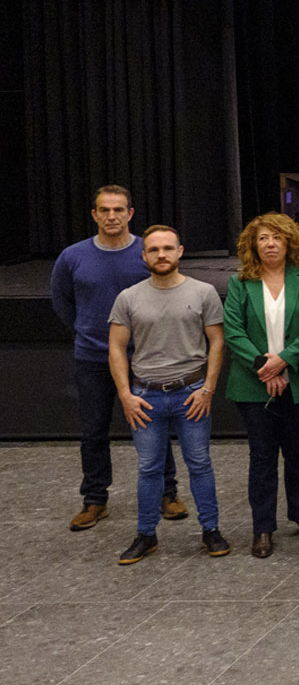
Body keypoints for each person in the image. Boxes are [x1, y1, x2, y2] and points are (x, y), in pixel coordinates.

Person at [52, 185, 184, 531]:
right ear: (94, 215)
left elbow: (167, 294)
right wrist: (86, 330)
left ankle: (167, 493)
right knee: (93, 431)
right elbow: (63, 302)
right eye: (105, 210)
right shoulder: (72, 257)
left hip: (143, 358)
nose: (112, 216)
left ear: (130, 214)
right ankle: (95, 499)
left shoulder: (147, 252)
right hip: (92, 359)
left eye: (119, 210)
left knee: (154, 425)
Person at [107, 226, 229, 564]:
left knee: (200, 464)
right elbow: (116, 348)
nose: (161, 255)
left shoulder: (204, 292)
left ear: (180, 251)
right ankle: (146, 535)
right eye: (154, 250)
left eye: (167, 248)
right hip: (145, 397)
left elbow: (217, 342)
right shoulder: (128, 297)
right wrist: (125, 395)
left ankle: (211, 530)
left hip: (191, 394)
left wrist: (208, 388)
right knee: (149, 468)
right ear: (144, 256)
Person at [223, 213, 299, 559]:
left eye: (277, 238)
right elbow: (233, 331)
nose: (270, 244)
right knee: (262, 456)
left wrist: (284, 361)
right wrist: (264, 367)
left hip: (298, 379)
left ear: (288, 243)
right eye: (263, 238)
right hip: (253, 384)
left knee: (298, 452)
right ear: (254, 244)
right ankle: (262, 527)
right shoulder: (240, 282)